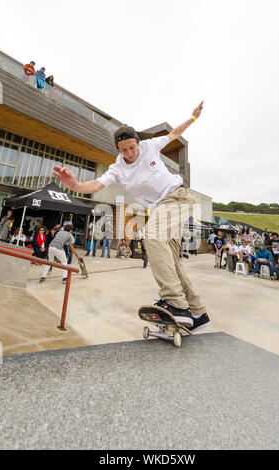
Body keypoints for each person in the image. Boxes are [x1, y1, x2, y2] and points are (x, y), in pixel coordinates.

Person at [53, 102, 210, 332]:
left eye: (132, 148)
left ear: (137, 143)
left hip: (176, 197)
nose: (129, 154)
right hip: (160, 209)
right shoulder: (117, 169)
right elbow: (96, 184)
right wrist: (76, 184)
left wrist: (193, 118)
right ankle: (197, 311)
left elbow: (174, 133)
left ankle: (176, 303)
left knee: (153, 235)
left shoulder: (149, 146)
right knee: (171, 262)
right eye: (123, 150)